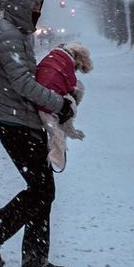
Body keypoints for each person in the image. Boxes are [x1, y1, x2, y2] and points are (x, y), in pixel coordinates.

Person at [0, 0, 76, 267]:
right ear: (20, 7)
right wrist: (58, 104)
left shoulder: (17, 33)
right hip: (14, 122)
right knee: (42, 191)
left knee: (42, 189)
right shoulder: (8, 36)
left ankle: (34, 257)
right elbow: (22, 82)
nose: (38, 12)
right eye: (34, 7)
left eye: (39, 7)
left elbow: (27, 77)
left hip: (22, 120)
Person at [35, 41, 93, 173]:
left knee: (55, 127)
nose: (76, 69)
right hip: (50, 103)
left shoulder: (54, 57)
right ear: (78, 57)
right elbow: (71, 87)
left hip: (40, 101)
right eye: (77, 67)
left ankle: (62, 134)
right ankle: (67, 127)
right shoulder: (65, 64)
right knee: (78, 89)